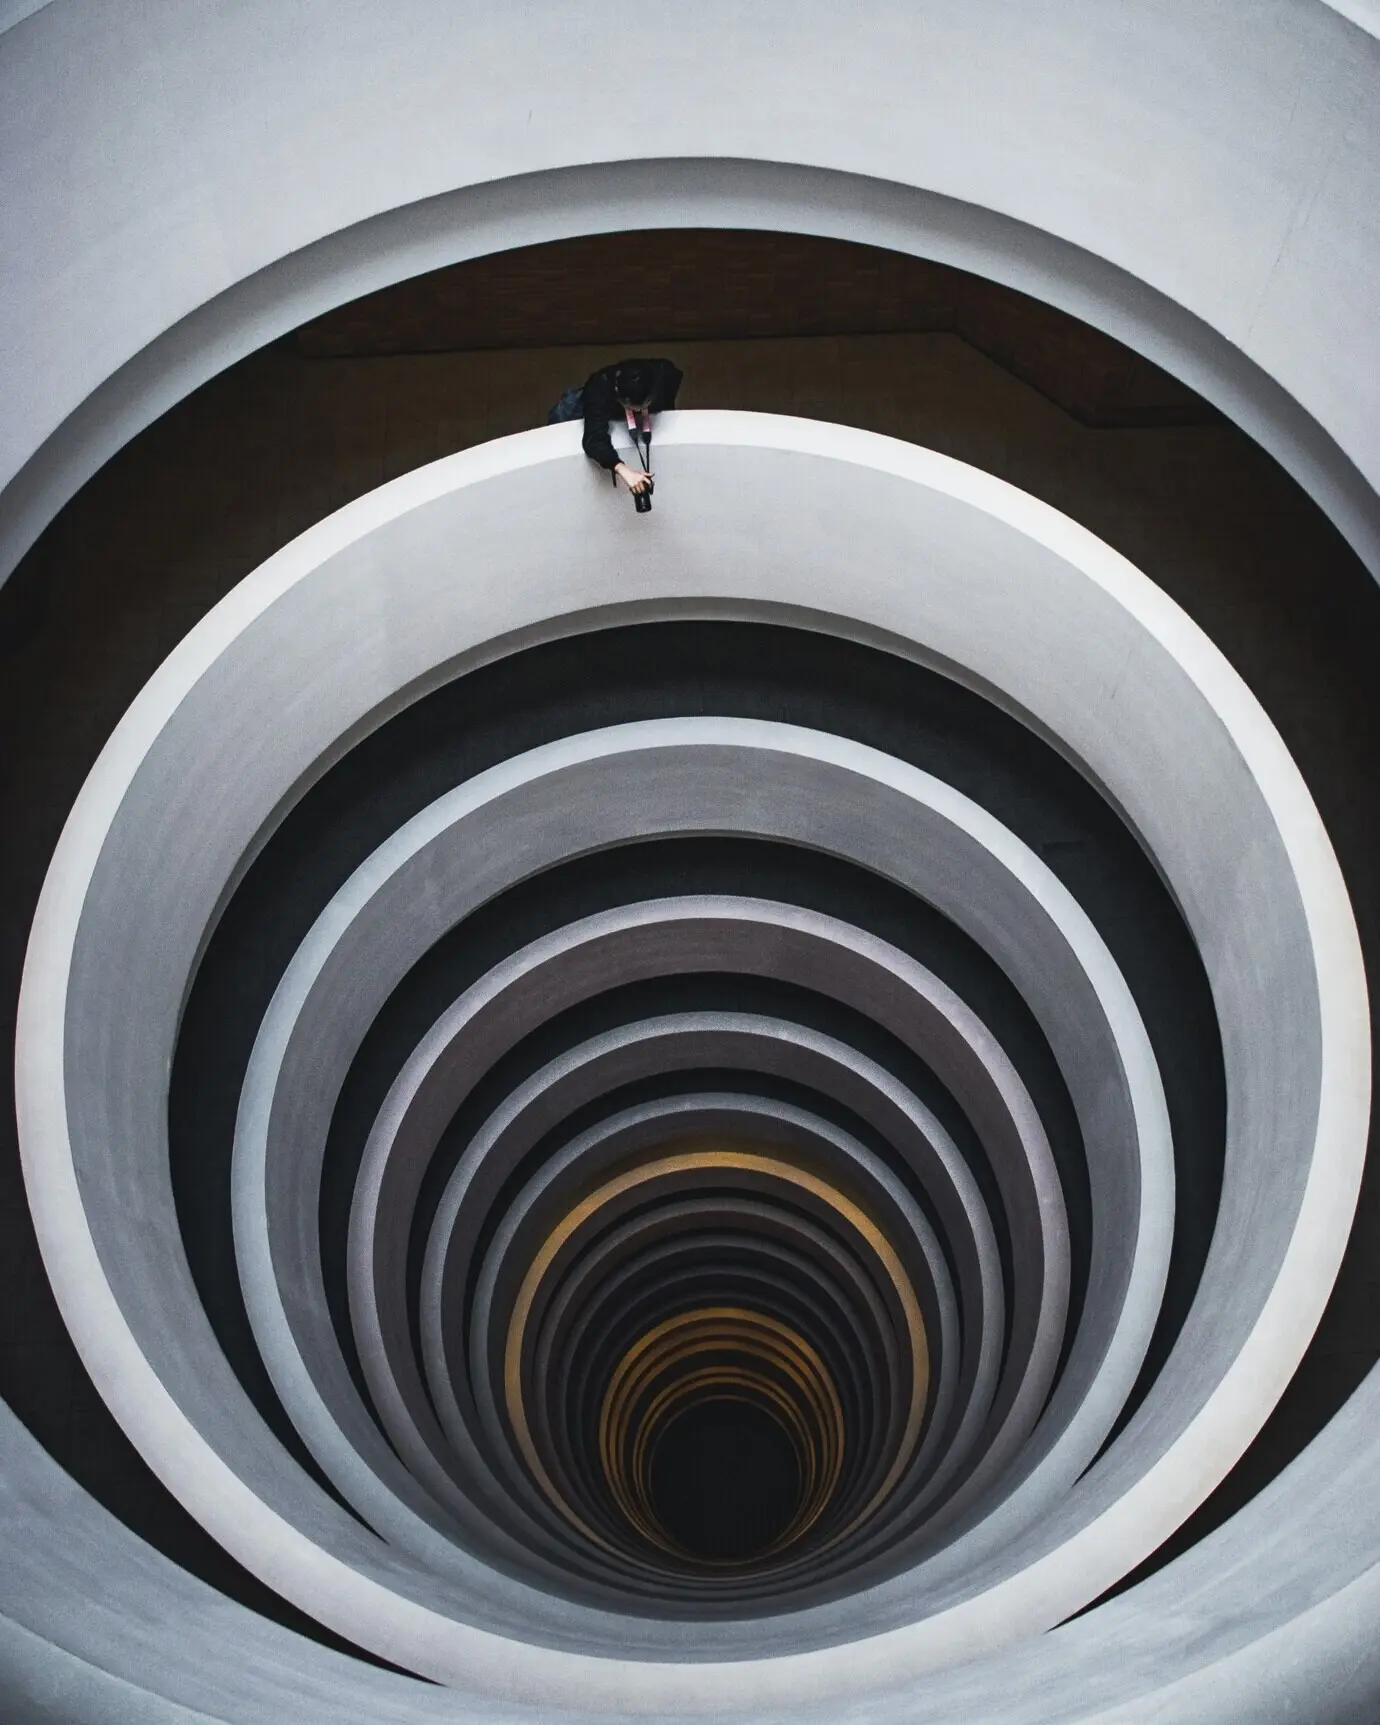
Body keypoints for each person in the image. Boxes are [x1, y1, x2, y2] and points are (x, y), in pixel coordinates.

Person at [549, 357, 683, 497]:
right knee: (563, 417)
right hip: (580, 406)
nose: (638, 410)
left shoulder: (664, 374)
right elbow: (593, 439)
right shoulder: (600, 387)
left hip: (632, 395)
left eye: (645, 404)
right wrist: (623, 470)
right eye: (633, 407)